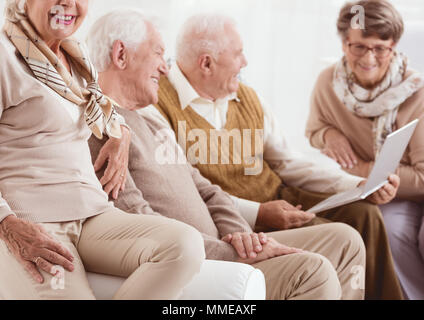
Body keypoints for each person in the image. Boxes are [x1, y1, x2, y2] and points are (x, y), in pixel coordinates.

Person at [86, 9, 368, 300]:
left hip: (227, 243)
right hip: (203, 262)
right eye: (158, 54)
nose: (166, 68)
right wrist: (232, 252)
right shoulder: (102, 131)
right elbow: (143, 225)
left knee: (345, 240)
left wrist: (242, 235)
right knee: (313, 271)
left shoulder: (148, 119)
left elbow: (207, 190)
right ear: (121, 55)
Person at [0, 0, 205, 300]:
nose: (68, 3)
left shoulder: (77, 58)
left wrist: (121, 132)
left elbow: (101, 108)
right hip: (28, 221)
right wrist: (7, 226)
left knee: (185, 246)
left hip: (92, 215)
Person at [305, 0, 424, 300]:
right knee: (385, 229)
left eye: (380, 48)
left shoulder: (419, 95)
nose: (369, 58)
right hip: (390, 191)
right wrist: (328, 134)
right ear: (344, 43)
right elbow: (312, 130)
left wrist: (364, 171)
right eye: (359, 47)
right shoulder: (328, 83)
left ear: (394, 46)